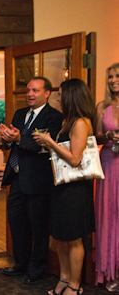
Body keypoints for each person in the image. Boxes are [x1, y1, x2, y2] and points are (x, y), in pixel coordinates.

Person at [33, 79, 95, 295]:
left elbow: (75, 159)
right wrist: (50, 144)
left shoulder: (80, 122)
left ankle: (75, 285)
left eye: (61, 95)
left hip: (75, 189)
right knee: (59, 236)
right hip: (61, 185)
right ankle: (64, 278)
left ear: (71, 97)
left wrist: (50, 142)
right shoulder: (68, 121)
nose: (58, 99)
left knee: (74, 237)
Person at [0, 77, 62, 285]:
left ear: (47, 93)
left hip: (38, 180)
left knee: (38, 227)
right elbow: (11, 143)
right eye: (28, 90)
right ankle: (21, 264)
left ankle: (37, 270)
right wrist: (7, 139)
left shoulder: (54, 117)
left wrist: (18, 139)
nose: (30, 94)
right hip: (16, 177)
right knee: (17, 223)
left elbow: (43, 148)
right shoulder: (20, 114)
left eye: (35, 90)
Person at [94, 63, 119, 291]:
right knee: (109, 216)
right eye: (110, 76)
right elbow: (94, 139)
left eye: (117, 76)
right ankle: (111, 271)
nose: (113, 80)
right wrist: (108, 135)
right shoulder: (102, 106)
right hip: (109, 164)